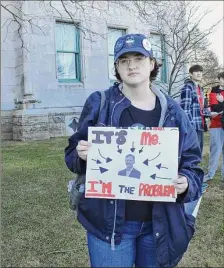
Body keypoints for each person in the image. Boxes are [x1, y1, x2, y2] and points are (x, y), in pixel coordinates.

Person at [65, 33, 203, 268]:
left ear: (151, 64)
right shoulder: (100, 103)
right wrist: (80, 154)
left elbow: (192, 163)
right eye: (123, 60)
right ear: (117, 67)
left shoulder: (173, 112)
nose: (131, 65)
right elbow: (71, 155)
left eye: (138, 58)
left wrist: (187, 182)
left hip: (158, 224)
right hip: (110, 227)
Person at [180, 64, 209, 153]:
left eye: (200, 71)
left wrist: (208, 114)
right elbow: (185, 109)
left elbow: (201, 107)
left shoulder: (201, 89)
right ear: (191, 74)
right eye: (196, 71)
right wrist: (190, 126)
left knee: (199, 151)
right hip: (193, 126)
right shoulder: (188, 88)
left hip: (200, 125)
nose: (199, 73)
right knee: (192, 153)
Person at [204, 71, 224, 190]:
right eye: (222, 78)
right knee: (215, 150)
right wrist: (220, 104)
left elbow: (220, 107)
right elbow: (214, 108)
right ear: (219, 79)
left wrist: (222, 101)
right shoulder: (213, 91)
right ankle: (210, 174)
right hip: (217, 125)